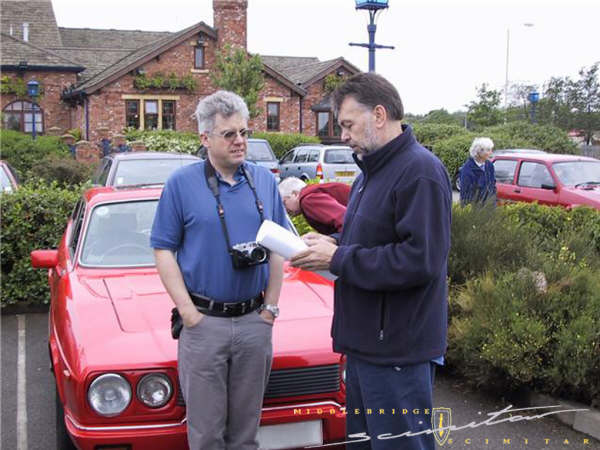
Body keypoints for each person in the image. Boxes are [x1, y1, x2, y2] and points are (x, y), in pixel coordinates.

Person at [289, 73, 452, 450]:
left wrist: (340, 257)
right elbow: (365, 236)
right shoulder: (369, 173)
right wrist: (328, 243)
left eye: (347, 124)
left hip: (398, 351)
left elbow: (420, 259)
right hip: (365, 347)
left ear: (379, 115)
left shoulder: (420, 172)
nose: (342, 135)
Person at [150, 90, 287, 450]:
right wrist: (188, 313)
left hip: (254, 321)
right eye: (229, 134)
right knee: (207, 434)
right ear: (205, 138)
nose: (240, 141)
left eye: (244, 132)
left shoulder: (264, 181)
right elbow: (163, 249)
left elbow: (278, 247)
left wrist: (270, 308)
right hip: (204, 325)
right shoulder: (181, 184)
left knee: (246, 434)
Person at [278, 177, 351, 235]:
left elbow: (344, 220)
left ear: (295, 194)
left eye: (284, 203)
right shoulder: (311, 193)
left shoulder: (307, 200)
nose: (285, 210)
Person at [459, 137, 497, 206]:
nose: (491, 153)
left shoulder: (490, 165)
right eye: (488, 150)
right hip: (475, 211)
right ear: (479, 151)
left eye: (491, 150)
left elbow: (493, 187)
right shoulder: (467, 170)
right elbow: (465, 197)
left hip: (489, 209)